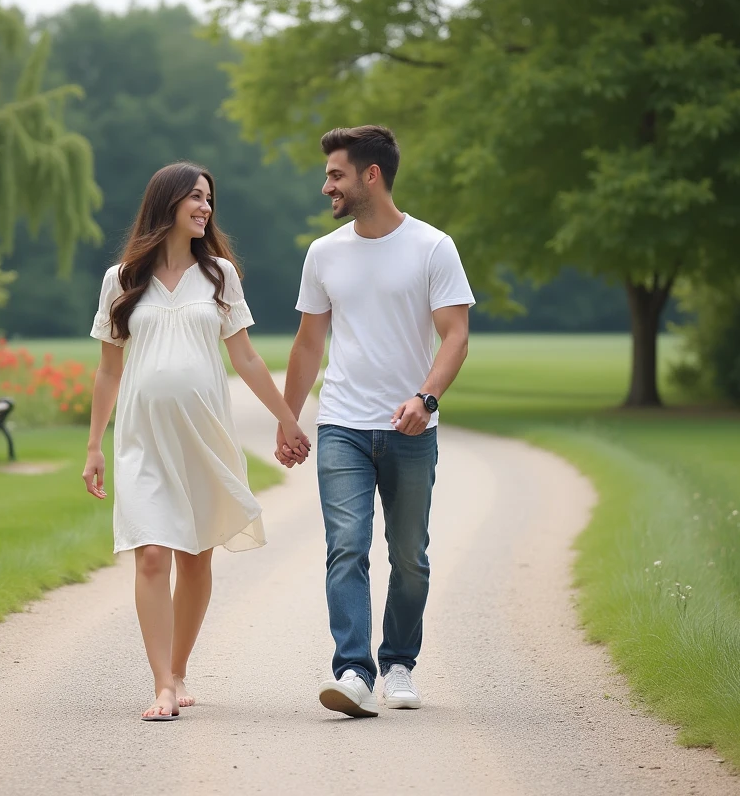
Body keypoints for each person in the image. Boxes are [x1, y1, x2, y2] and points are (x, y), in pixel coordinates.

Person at [83, 161, 311, 722]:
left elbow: (246, 358)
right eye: (195, 197)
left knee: (194, 558)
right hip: (142, 440)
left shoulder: (219, 276)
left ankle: (179, 667)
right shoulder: (121, 280)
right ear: (167, 203)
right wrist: (93, 446)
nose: (206, 207)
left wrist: (287, 418)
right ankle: (162, 684)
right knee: (151, 555)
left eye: (209, 199)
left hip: (203, 437)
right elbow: (109, 370)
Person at [275, 126, 474, 718]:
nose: (326, 186)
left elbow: (455, 335)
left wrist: (426, 398)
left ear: (371, 175)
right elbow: (309, 344)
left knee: (409, 556)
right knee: (347, 546)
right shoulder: (324, 253)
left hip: (411, 430)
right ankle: (354, 672)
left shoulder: (433, 247)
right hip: (342, 425)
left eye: (335, 175)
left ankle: (399, 663)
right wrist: (288, 418)